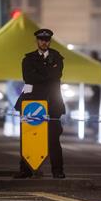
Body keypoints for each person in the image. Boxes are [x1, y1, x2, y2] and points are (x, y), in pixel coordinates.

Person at [13, 28, 66, 179]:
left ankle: (58, 171)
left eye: (47, 40)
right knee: (28, 136)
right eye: (42, 40)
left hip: (53, 104)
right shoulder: (28, 59)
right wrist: (48, 74)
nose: (44, 42)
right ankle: (25, 170)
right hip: (33, 103)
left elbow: (57, 75)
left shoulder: (57, 57)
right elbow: (29, 78)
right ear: (37, 41)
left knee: (54, 139)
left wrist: (41, 74)